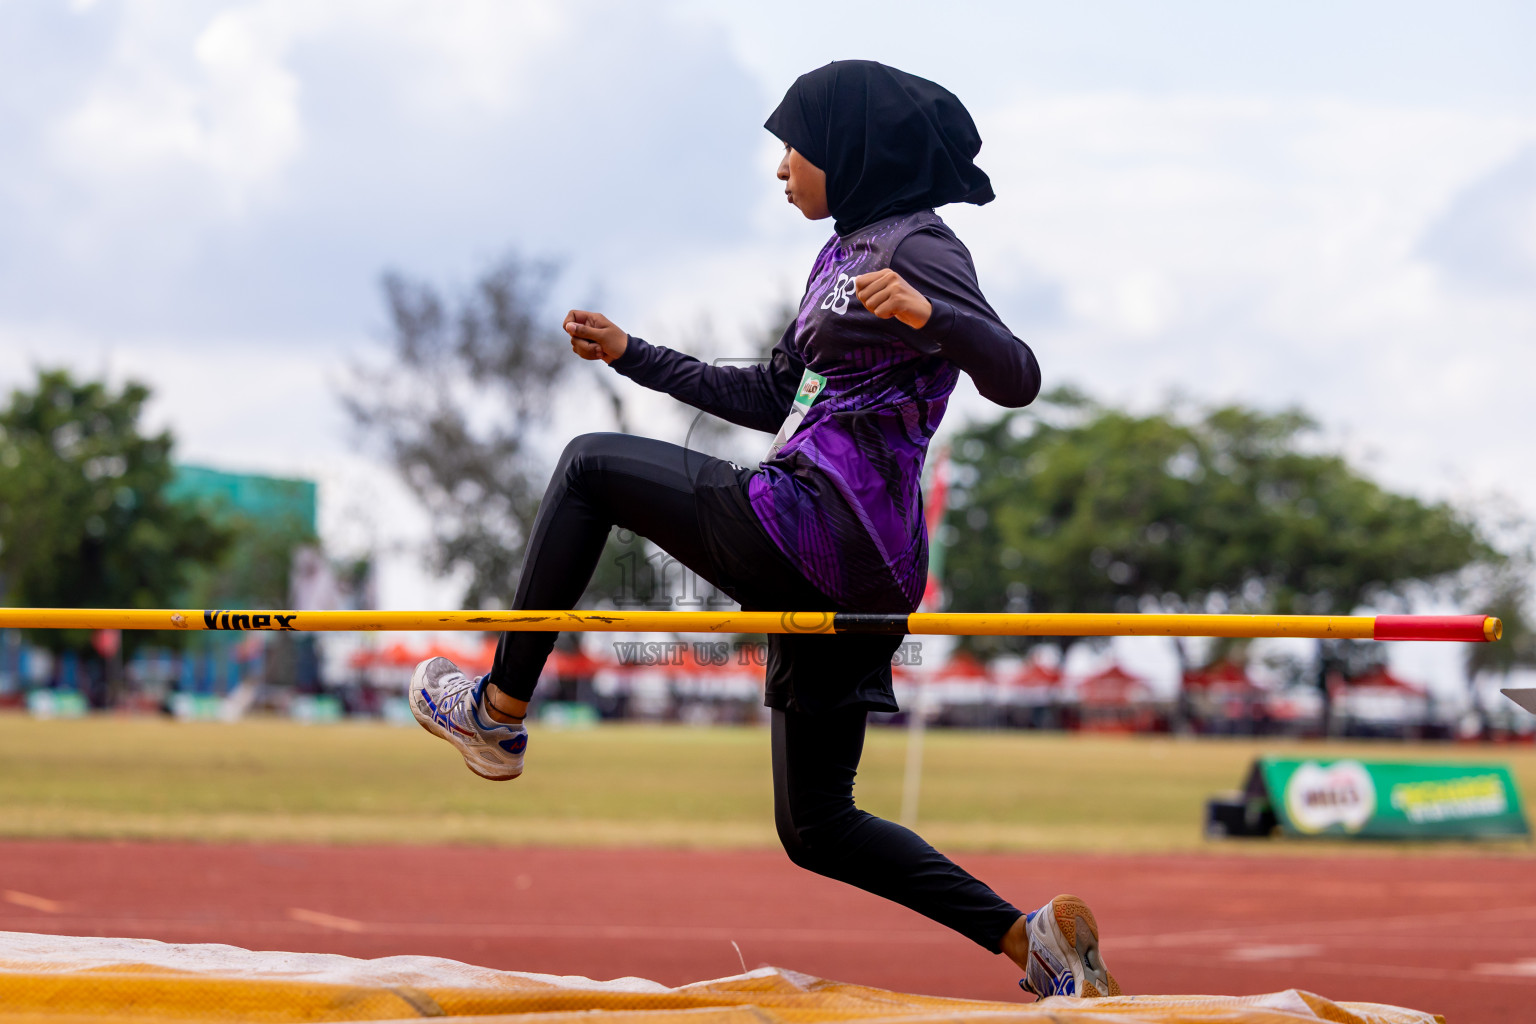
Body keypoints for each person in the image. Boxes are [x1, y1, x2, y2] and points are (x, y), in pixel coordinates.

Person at [410, 60, 1119, 1000]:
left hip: (819, 525)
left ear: (851, 152)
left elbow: (1018, 375)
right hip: (856, 566)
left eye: (796, 146)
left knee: (589, 466)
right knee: (818, 825)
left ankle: (497, 714)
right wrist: (636, 355)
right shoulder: (841, 255)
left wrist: (933, 313)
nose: (783, 166)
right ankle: (1028, 943)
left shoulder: (919, 248)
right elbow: (766, 395)